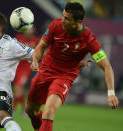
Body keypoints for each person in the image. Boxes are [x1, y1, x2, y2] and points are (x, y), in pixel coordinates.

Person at [25, 2, 119, 131]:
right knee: (31, 111)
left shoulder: (88, 39)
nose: (63, 20)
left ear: (78, 21)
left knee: (49, 111)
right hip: (45, 71)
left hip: (64, 77)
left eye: (67, 19)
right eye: (63, 16)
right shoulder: (55, 25)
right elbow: (41, 46)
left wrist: (111, 93)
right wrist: (35, 60)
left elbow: (106, 66)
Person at [13, 26, 39, 117]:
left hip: (26, 69)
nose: (28, 30)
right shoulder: (18, 38)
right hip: (15, 67)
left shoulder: (36, 41)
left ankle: (13, 109)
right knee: (19, 90)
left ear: (33, 30)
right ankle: (25, 109)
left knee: (18, 88)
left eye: (30, 28)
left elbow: (39, 54)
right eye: (27, 28)